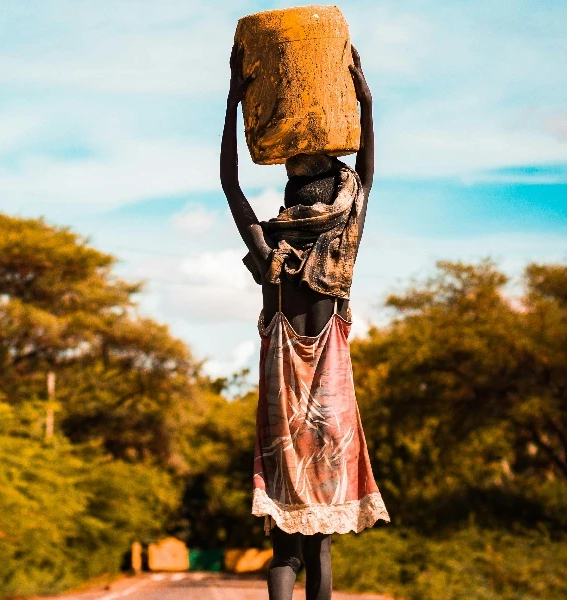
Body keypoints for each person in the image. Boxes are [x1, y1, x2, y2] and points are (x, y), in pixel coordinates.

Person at [220, 43, 391, 600]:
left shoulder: (270, 249)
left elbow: (230, 184)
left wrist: (233, 98)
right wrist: (365, 99)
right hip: (332, 414)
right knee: (320, 544)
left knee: (286, 548)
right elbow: (365, 171)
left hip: (281, 409)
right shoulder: (343, 243)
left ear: (290, 202)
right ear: (336, 198)